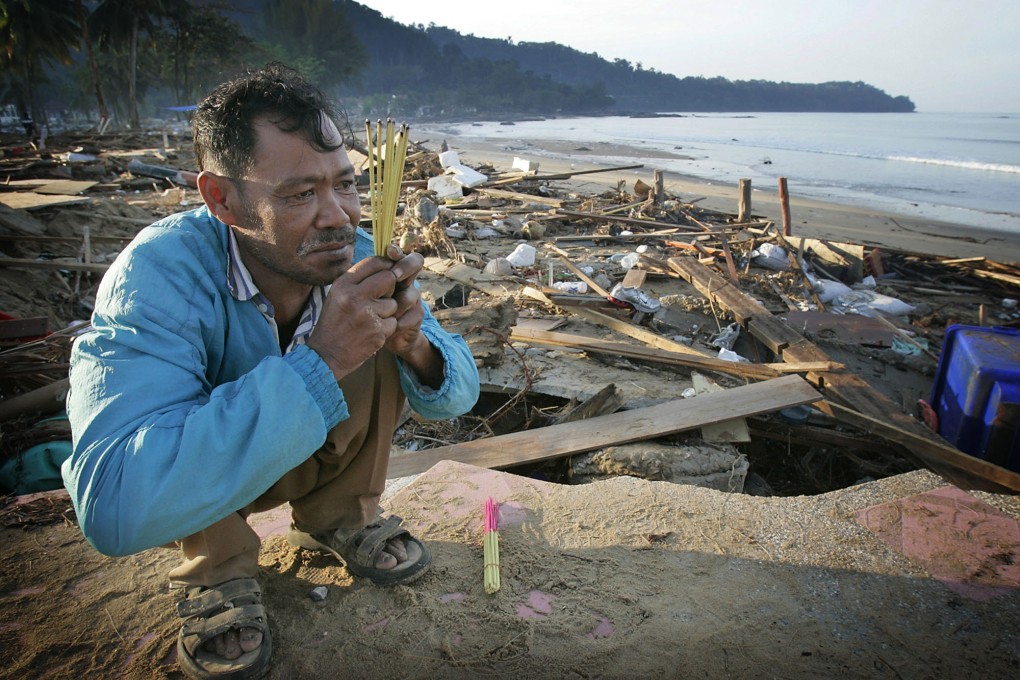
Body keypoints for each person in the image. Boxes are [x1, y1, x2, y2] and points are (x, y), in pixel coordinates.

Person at [62, 63, 480, 679]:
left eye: (345, 184)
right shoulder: (156, 277)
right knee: (206, 391)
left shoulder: (356, 255)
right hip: (210, 489)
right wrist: (325, 358)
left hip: (311, 454)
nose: (338, 215)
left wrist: (416, 345)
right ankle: (217, 568)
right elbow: (115, 507)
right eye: (299, 194)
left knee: (381, 332)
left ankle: (341, 515)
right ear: (222, 199)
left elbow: (457, 397)